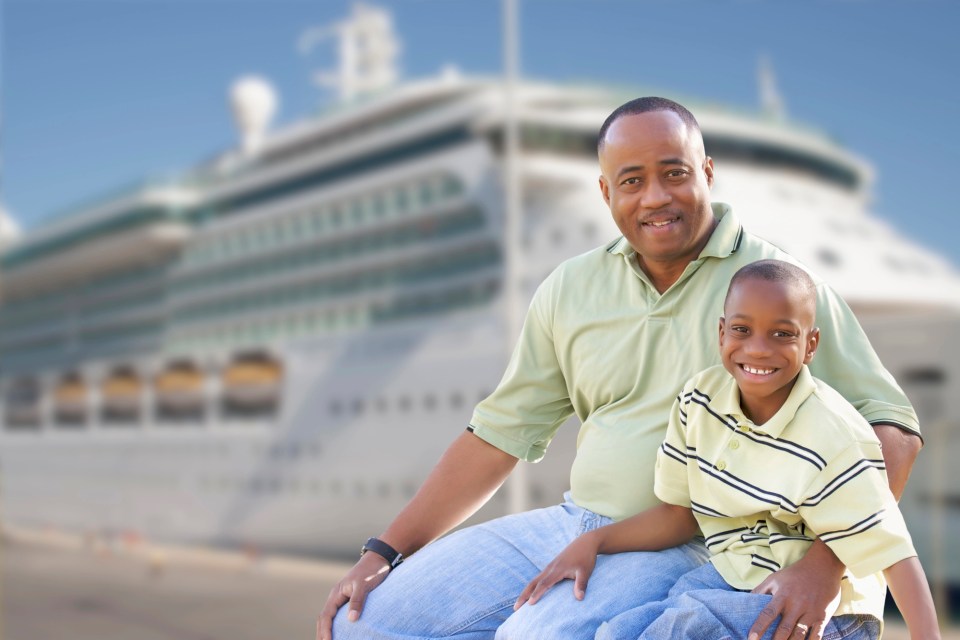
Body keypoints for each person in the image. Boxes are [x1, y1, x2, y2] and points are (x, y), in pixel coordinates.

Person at [318, 97, 923, 640]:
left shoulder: (776, 286)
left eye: (675, 173)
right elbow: (497, 437)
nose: (655, 196)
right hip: (577, 521)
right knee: (365, 625)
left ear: (706, 175)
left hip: (702, 538)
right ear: (606, 193)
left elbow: (891, 431)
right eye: (631, 180)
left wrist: (824, 563)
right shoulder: (570, 286)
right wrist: (382, 553)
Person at [514, 260, 939, 640]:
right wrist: (594, 541)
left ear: (810, 345)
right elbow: (678, 514)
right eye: (742, 329)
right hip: (731, 577)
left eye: (782, 334)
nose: (758, 348)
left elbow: (896, 555)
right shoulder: (698, 400)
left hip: (826, 614)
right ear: (721, 333)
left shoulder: (835, 435)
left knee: (670, 630)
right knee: (618, 631)